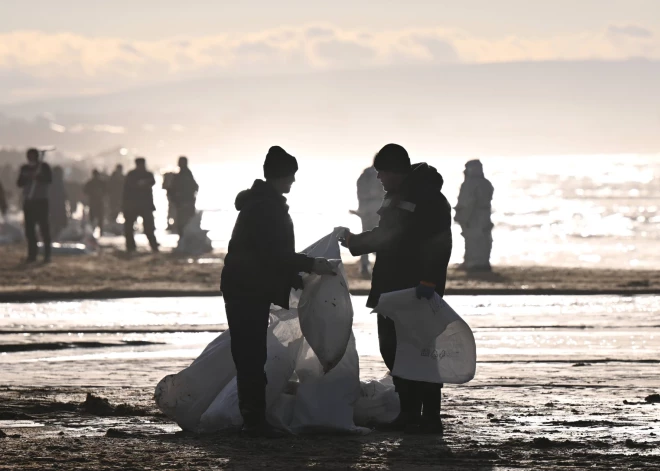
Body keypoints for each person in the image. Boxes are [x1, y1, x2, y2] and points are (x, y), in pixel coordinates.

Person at [220, 146, 336, 438]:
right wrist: (311, 264)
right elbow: (273, 252)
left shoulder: (261, 203)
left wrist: (295, 275)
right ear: (280, 176)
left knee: (250, 354)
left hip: (245, 286)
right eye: (290, 175)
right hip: (246, 289)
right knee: (251, 355)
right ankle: (254, 422)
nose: (293, 181)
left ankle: (254, 417)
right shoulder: (265, 207)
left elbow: (267, 254)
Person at [337, 143, 452, 434]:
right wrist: (355, 242)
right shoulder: (396, 197)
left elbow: (439, 245)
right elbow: (386, 236)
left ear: (395, 171)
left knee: (421, 351)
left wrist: (430, 282)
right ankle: (409, 413)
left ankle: (430, 418)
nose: (379, 179)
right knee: (394, 351)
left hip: (416, 290)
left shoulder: (430, 200)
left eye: (382, 173)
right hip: (391, 287)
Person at [454, 159, 494, 272]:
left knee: (476, 239)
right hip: (482, 215)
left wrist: (463, 216)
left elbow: (467, 202)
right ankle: (475, 261)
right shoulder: (485, 183)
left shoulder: (470, 184)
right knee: (477, 239)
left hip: (475, 216)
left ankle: (476, 263)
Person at [16, 148, 53, 263]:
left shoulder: (44, 167)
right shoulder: (25, 168)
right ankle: (32, 255)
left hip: (41, 201)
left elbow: (49, 179)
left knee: (44, 229)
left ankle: (47, 255)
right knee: (29, 230)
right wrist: (28, 177)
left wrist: (38, 177)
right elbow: (19, 183)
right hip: (29, 201)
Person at [354, 166, 385, 278]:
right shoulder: (384, 173)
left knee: (365, 236)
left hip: (366, 209)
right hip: (378, 208)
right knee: (380, 237)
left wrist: (361, 206)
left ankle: (364, 266)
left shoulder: (365, 174)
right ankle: (378, 263)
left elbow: (359, 191)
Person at [122, 157, 159, 253]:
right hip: (134, 205)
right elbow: (127, 190)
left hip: (143, 205)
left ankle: (153, 246)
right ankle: (131, 247)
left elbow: (152, 182)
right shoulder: (133, 175)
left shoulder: (147, 175)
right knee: (130, 227)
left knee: (148, 228)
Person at [170, 156, 199, 237]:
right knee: (184, 223)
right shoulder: (182, 174)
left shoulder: (185, 174)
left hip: (185, 202)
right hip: (183, 203)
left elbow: (194, 187)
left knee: (185, 223)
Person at [83, 169, 108, 236]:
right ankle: (100, 232)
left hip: (93, 202)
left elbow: (85, 192)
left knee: (93, 218)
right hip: (99, 202)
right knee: (100, 218)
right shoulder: (102, 183)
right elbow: (106, 192)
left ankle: (93, 232)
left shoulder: (90, 182)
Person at [49, 166, 68, 240]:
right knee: (57, 222)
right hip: (56, 206)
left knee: (55, 223)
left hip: (55, 206)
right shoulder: (57, 181)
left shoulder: (53, 180)